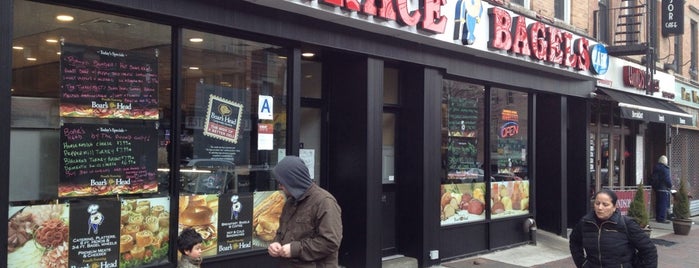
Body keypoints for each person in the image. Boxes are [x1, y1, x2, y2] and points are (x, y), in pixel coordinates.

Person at [268, 156, 343, 267]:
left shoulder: (325, 202)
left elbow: (330, 242)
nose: (279, 186)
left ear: (293, 181)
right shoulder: (290, 201)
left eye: (282, 182)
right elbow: (282, 231)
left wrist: (295, 249)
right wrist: (276, 242)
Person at [569, 189, 657, 268]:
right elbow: (574, 242)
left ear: (614, 207)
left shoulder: (627, 224)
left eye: (605, 204)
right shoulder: (585, 223)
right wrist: (582, 264)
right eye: (597, 203)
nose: (600, 208)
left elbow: (649, 250)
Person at [651, 155, 672, 223]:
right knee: (663, 204)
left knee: (658, 203)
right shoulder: (665, 169)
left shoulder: (656, 167)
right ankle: (662, 218)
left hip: (657, 188)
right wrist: (670, 185)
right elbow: (667, 179)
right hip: (663, 188)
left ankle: (658, 217)